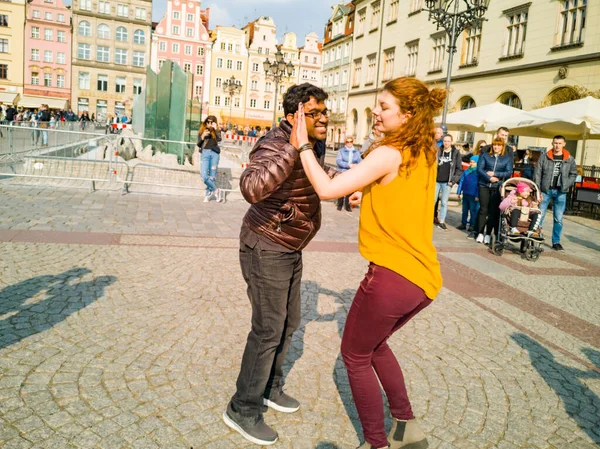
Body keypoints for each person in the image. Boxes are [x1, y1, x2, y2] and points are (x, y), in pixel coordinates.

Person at [294, 77, 444, 449]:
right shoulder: (423, 148)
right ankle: (406, 427)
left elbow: (328, 190)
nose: (376, 112)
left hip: (392, 275)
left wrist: (302, 147)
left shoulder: (388, 152)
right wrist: (370, 194)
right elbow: (401, 192)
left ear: (407, 115)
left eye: (384, 107)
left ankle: (376, 444)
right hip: (421, 279)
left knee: (355, 355)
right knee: (376, 347)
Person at [222, 84, 330, 446]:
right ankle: (242, 408)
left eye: (324, 111)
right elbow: (251, 188)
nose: (324, 118)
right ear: (292, 117)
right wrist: (292, 147)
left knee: (290, 321)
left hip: (290, 245)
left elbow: (312, 181)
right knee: (268, 329)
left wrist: (348, 195)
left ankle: (270, 387)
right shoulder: (274, 144)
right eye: (314, 113)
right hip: (265, 244)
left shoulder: (311, 145)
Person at [533, 135, 577, 251]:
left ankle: (556, 241)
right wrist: (537, 189)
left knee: (558, 218)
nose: (557, 145)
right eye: (555, 143)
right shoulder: (545, 157)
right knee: (540, 215)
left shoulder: (569, 159)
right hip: (545, 190)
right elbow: (537, 173)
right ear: (552, 144)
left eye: (559, 143)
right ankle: (536, 236)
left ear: (564, 144)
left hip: (560, 191)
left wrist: (567, 184)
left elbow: (573, 174)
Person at [475, 137, 514, 245]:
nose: (496, 147)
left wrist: (496, 174)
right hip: (484, 185)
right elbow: (479, 169)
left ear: (502, 147)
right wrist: (489, 178)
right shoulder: (485, 156)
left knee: (493, 212)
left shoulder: (506, 158)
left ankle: (488, 233)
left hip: (497, 187)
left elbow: (508, 172)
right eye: (495, 145)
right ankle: (480, 233)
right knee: (483, 210)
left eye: (499, 145)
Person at [434, 134, 462, 230]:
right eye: (445, 141)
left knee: (444, 202)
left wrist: (453, 180)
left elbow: (459, 169)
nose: (446, 143)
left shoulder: (456, 153)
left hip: (447, 182)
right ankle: (428, 218)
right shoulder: (438, 151)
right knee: (433, 200)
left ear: (451, 142)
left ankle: (442, 221)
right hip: (436, 180)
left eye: (448, 141)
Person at [197, 115, 223, 203]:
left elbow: (219, 139)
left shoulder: (216, 131)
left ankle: (207, 195)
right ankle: (216, 190)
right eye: (208, 122)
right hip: (205, 154)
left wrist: (216, 130)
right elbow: (198, 144)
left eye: (211, 122)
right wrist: (202, 137)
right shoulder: (202, 130)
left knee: (212, 176)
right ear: (205, 122)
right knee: (204, 176)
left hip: (215, 154)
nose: (209, 124)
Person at [336, 136, 362, 211]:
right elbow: (339, 161)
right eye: (348, 142)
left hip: (352, 172)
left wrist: (356, 165)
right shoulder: (341, 151)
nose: (349, 143)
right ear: (345, 142)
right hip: (343, 171)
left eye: (351, 141)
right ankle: (339, 205)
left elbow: (359, 161)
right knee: (341, 189)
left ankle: (348, 206)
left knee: (350, 189)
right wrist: (348, 165)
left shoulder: (356, 152)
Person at [457, 155, 480, 237]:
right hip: (466, 193)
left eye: (474, 162)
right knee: (465, 210)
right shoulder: (466, 171)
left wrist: (477, 195)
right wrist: (459, 192)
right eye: (471, 162)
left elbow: (479, 185)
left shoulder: (478, 172)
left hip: (473, 195)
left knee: (473, 211)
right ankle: (463, 223)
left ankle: (472, 225)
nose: (471, 163)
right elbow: (461, 181)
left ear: (477, 163)